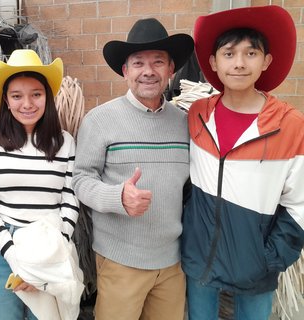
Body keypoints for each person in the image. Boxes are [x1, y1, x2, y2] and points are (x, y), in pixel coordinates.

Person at [181, 5, 304, 320]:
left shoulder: (290, 126)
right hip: (200, 261)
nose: (238, 63)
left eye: (250, 54)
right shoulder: (198, 115)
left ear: (266, 62)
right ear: (213, 62)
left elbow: (300, 205)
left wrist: (269, 258)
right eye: (229, 53)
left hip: (256, 267)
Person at [72, 18, 194, 320]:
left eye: (158, 62)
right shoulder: (99, 120)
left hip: (172, 264)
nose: (148, 71)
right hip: (120, 261)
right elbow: (81, 179)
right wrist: (118, 197)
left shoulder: (184, 124)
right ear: (125, 71)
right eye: (138, 63)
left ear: (171, 69)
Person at [0, 49, 83, 320]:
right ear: (6, 101)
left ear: (47, 97)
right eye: (16, 95)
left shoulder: (65, 142)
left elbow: (70, 197)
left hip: (50, 243)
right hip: (2, 246)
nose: (27, 103)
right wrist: (15, 257)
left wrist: (57, 246)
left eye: (36, 94)